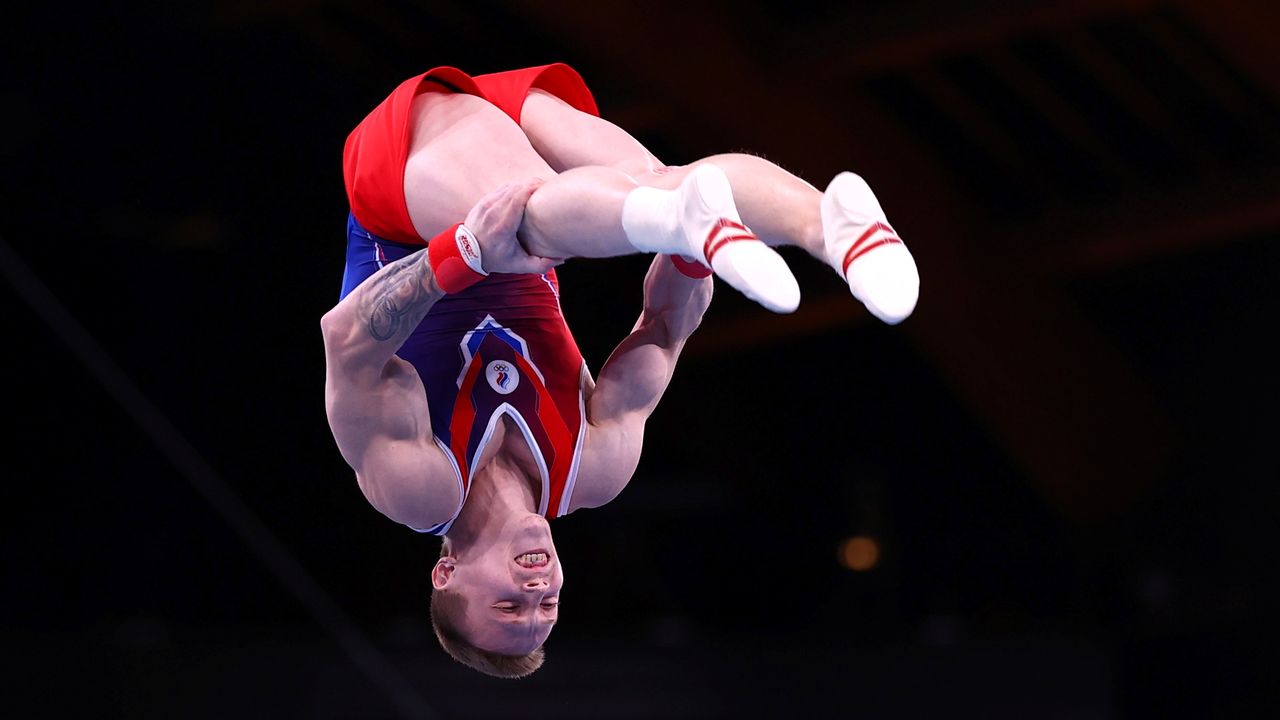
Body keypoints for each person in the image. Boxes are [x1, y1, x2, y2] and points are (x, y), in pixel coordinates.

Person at [323, 64, 919, 678]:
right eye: (548, 605)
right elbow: (663, 330)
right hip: (539, 194)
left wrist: (464, 253)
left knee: (532, 223)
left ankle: (677, 221)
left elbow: (345, 342)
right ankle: (831, 229)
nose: (536, 588)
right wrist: (688, 261)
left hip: (398, 195)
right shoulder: (593, 469)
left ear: (445, 572)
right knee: (663, 183)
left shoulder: (419, 488)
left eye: (508, 604)